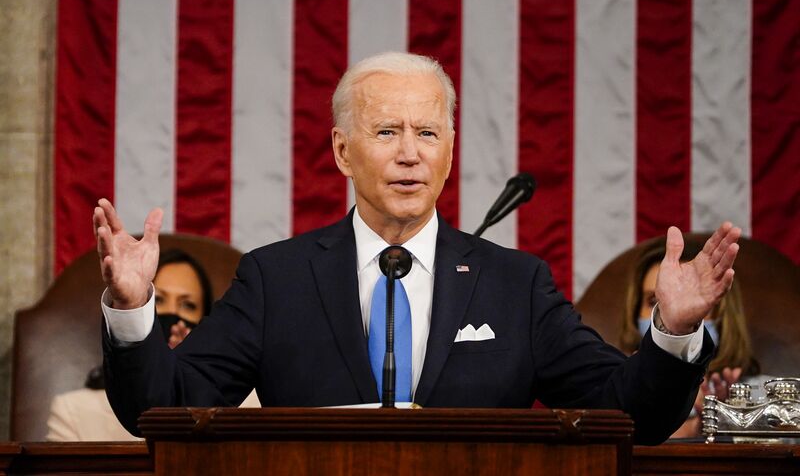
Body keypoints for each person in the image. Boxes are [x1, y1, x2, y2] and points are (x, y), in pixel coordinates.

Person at [95, 51, 741, 445]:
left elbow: (628, 416)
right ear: (343, 151)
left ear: (450, 150)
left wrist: (674, 332)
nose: (410, 153)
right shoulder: (276, 279)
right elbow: (167, 410)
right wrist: (131, 308)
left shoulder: (515, 285)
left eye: (428, 132)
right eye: (385, 131)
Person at [46, 250, 257, 441]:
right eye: (159, 301)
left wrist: (190, 376)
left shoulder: (246, 407)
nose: (174, 316)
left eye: (188, 305)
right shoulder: (74, 411)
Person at [620, 238, 760, 438]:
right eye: (653, 302)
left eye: (688, 299)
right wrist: (695, 428)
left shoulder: (765, 392)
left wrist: (734, 420)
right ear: (634, 313)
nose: (670, 313)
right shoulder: (617, 389)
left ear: (723, 314)